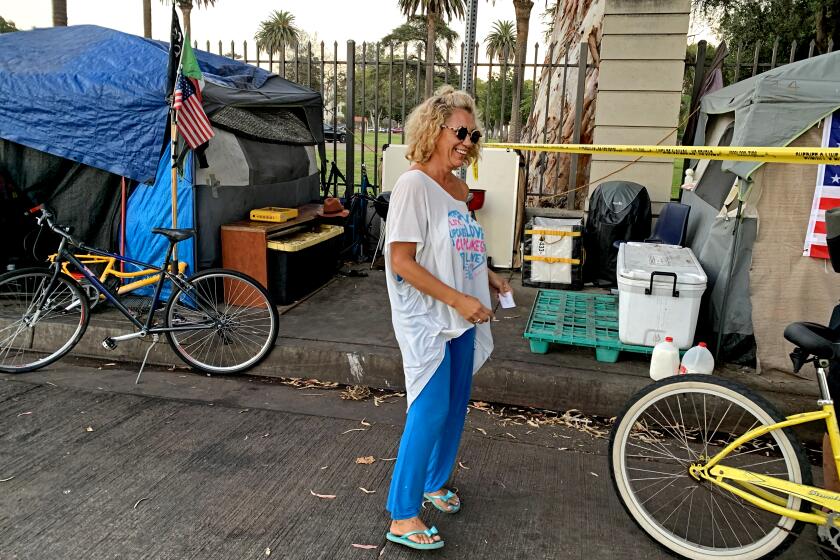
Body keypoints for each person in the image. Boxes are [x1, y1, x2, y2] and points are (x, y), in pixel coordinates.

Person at [383, 85, 513, 551]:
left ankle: (433, 483)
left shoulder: (458, 189)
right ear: (434, 129)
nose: (468, 141)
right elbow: (402, 260)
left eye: (474, 134)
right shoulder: (412, 185)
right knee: (430, 407)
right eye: (461, 131)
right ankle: (401, 513)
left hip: (463, 314)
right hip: (429, 318)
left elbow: (461, 247)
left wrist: (492, 277)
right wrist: (458, 300)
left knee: (456, 405)